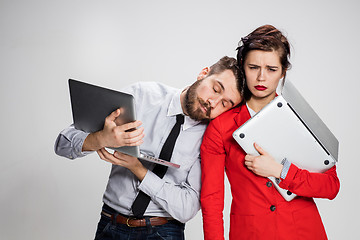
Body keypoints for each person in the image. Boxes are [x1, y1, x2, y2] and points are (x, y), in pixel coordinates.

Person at [54, 56, 243, 240]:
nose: (213, 102)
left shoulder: (211, 138)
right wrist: (100, 138)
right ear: (203, 74)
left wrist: (138, 169)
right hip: (110, 224)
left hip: (165, 232)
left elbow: (187, 208)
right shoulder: (143, 95)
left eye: (225, 104)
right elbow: (62, 144)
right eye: (215, 89)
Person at [200, 25, 340, 240]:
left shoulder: (300, 116)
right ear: (242, 67)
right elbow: (212, 199)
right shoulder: (220, 127)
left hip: (302, 230)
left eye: (272, 69)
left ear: (283, 71)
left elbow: (330, 186)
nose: (261, 78)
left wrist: (280, 171)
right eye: (253, 67)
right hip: (250, 233)